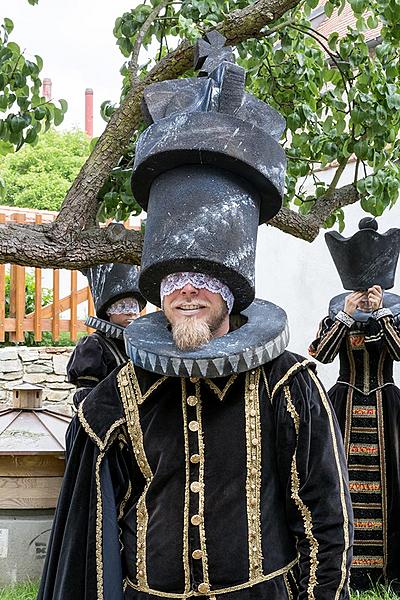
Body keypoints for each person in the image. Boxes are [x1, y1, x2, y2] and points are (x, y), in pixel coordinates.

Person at [38, 32, 352, 600]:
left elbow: (324, 521)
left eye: (203, 282)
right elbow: (92, 533)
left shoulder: (289, 384)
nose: (185, 294)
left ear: (230, 292)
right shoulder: (120, 395)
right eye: (173, 281)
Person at [309, 217, 400, 591]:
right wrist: (345, 316)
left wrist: (381, 313)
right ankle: (347, 571)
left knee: (391, 484)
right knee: (338, 479)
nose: (366, 294)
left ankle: (388, 573)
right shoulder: (337, 316)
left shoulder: (393, 315)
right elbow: (322, 356)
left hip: (386, 407)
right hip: (344, 404)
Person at [67, 263, 146, 408]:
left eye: (134, 307)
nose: (131, 313)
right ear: (108, 312)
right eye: (122, 307)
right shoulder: (93, 345)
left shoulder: (141, 344)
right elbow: (86, 399)